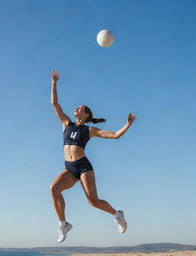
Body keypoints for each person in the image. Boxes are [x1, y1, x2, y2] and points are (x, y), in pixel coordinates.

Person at [50, 70, 137, 243]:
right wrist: (54, 82)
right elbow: (54, 103)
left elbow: (114, 135)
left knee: (93, 201)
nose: (76, 108)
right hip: (69, 168)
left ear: (87, 114)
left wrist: (127, 125)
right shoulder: (67, 123)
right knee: (54, 189)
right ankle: (63, 224)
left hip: (83, 166)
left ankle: (118, 214)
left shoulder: (89, 130)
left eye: (80, 108)